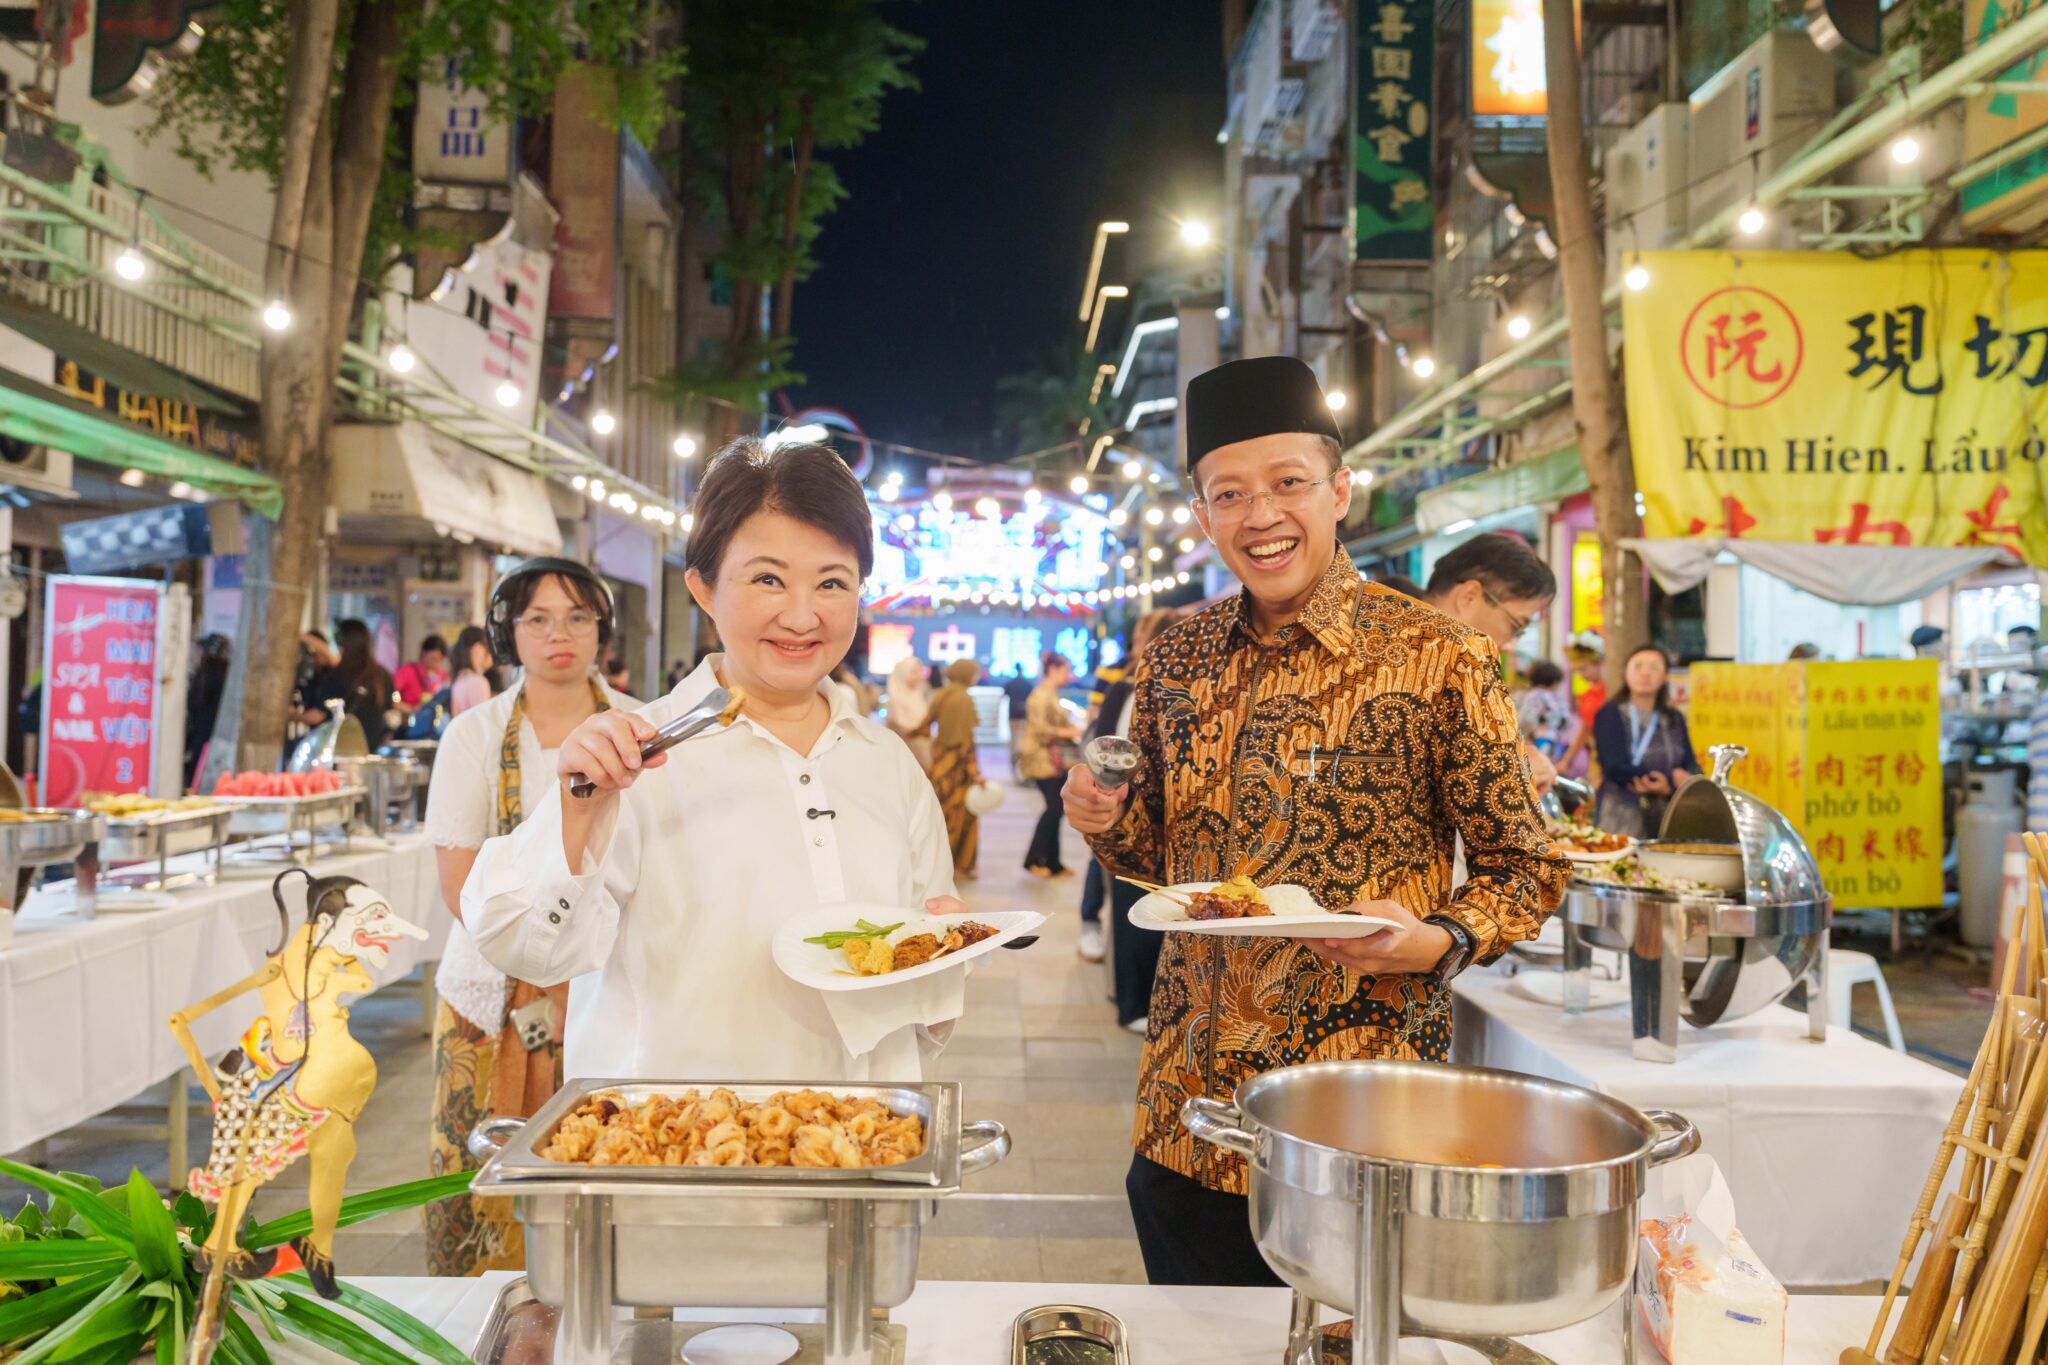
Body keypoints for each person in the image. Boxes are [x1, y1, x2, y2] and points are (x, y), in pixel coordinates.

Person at [1062, 355, 1567, 1287]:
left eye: (1288, 483)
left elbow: (1527, 866)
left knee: (1345, 1338)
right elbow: (1159, 861)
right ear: (1203, 515)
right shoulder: (1175, 658)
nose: (1261, 515)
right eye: (1229, 494)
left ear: (1340, 491)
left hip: (1360, 1114)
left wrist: (1437, 938)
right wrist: (1103, 816)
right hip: (1188, 1110)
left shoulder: (1441, 656)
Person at [464, 437, 966, 1087]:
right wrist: (577, 810)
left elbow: (927, 979)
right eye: (768, 579)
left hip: (866, 1131)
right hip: (683, 1140)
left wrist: (941, 957)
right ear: (703, 588)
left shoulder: (889, 763)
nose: (802, 615)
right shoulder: (637, 756)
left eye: (832, 582)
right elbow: (522, 944)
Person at [421, 559, 628, 1276]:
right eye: (537, 619)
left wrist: (574, 983)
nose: (558, 635)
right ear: (508, 633)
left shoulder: (641, 728)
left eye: (577, 617)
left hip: (611, 983)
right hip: (488, 993)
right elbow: (460, 885)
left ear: (601, 629)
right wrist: (545, 971)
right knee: (479, 1173)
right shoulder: (473, 736)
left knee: (612, 1171)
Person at [1414, 534, 1561, 796]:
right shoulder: (1396, 666)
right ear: (1469, 597)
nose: (1510, 645)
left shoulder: (1449, 675)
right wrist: (1508, 769)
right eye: (1515, 626)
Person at [1089, 607, 1178, 1032]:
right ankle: (1131, 1003)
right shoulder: (1135, 689)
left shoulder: (1156, 688)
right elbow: (1111, 748)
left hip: (1147, 816)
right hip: (1131, 814)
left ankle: (1132, 997)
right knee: (1132, 908)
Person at [1591, 643, 1696, 837]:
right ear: (1625, 673)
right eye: (1638, 666)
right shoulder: (1610, 713)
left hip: (1667, 816)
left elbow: (1688, 764)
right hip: (1620, 816)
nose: (1645, 673)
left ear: (1665, 676)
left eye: (1654, 667)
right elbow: (1614, 766)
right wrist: (1666, 778)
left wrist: (1670, 787)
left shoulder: (1674, 718)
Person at [1019, 652, 1082, 880]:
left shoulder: (1050, 694)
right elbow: (1040, 730)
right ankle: (1033, 860)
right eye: (1066, 670)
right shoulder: (1040, 696)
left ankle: (1053, 863)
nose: (1069, 675)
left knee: (1056, 809)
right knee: (1054, 809)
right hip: (1042, 760)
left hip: (1053, 761)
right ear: (1053, 670)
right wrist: (1071, 731)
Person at [303, 619, 397, 751]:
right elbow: (389, 714)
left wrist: (291, 716)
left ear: (342, 645)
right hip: (372, 750)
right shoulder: (383, 675)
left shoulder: (338, 675)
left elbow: (317, 716)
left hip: (342, 750)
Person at [928, 659, 984, 877]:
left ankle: (937, 866)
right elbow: (965, 743)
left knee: (939, 817)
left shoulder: (941, 695)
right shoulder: (964, 699)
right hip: (958, 770)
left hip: (940, 765)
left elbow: (923, 725)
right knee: (960, 817)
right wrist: (975, 773)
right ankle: (959, 865)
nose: (976, 677)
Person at [184, 634, 231, 790]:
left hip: (201, 737)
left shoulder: (205, 676)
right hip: (214, 738)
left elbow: (194, 704)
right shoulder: (226, 677)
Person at [1516, 660, 1575, 760]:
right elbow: (1567, 722)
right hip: (1555, 745)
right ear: (1554, 680)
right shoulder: (1557, 698)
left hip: (1533, 744)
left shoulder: (1529, 695)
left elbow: (1523, 720)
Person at [886, 655, 934, 770]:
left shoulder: (917, 695)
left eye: (919, 671)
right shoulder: (896, 699)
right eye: (914, 672)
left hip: (922, 753)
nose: (918, 676)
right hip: (904, 755)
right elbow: (903, 727)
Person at [448, 626, 495, 716]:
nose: (492, 656)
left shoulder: (459, 678)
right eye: (489, 649)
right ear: (478, 648)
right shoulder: (477, 682)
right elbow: (483, 720)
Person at [395, 636, 449, 709]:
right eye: (432, 658)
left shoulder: (443, 676)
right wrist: (405, 707)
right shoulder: (407, 671)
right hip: (410, 712)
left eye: (438, 660)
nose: (434, 663)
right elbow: (393, 692)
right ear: (423, 653)